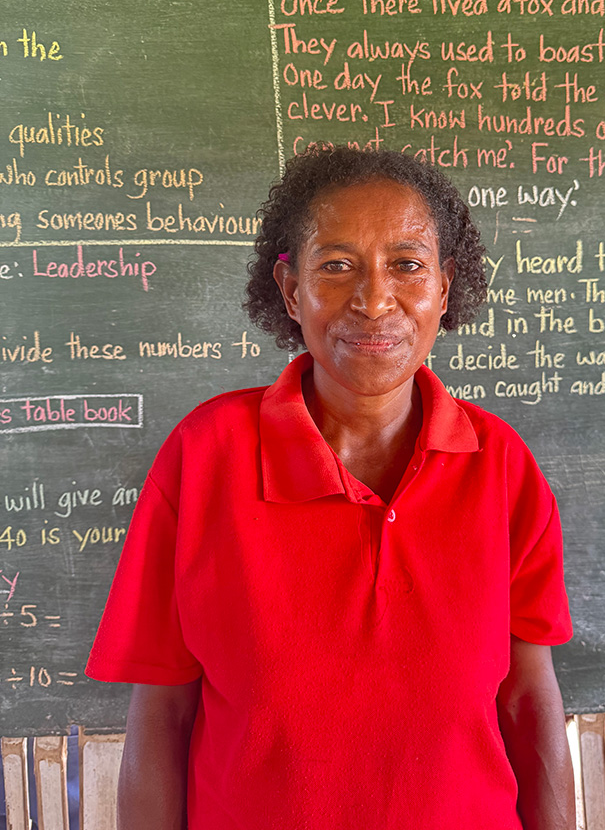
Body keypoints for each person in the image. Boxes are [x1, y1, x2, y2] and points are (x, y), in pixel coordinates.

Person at [86, 145, 575, 830]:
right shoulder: (206, 457)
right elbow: (162, 713)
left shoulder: (500, 466)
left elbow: (530, 699)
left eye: (406, 264)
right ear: (291, 291)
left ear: (444, 285)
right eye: (337, 265)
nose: (375, 300)